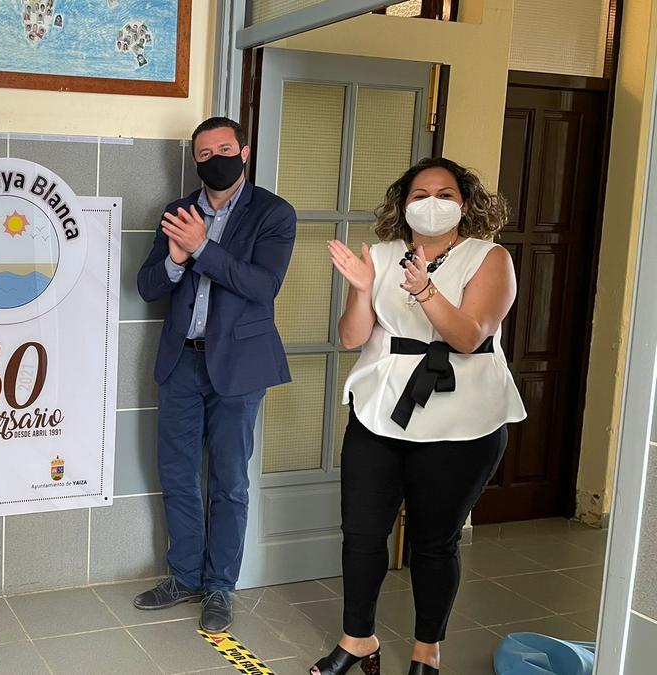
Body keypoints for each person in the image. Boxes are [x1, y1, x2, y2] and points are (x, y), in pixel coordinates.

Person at [313, 157, 526, 675]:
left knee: (434, 542)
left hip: (463, 419)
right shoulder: (381, 256)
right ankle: (357, 638)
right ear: (403, 204)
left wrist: (424, 290)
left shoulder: (489, 258)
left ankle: (426, 649)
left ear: (466, 203)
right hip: (380, 411)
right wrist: (364, 289)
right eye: (420, 194)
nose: (432, 203)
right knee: (362, 533)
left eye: (445, 194)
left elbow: (466, 336)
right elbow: (350, 338)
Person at [133, 116, 296, 633]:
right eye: (203, 154)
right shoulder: (176, 212)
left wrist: (203, 249)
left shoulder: (273, 213)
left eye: (223, 149)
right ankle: (184, 576)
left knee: (228, 482)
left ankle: (220, 587)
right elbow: (148, 286)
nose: (213, 160)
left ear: (243, 152)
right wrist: (177, 259)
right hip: (181, 359)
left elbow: (262, 285)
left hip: (239, 366)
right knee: (178, 474)